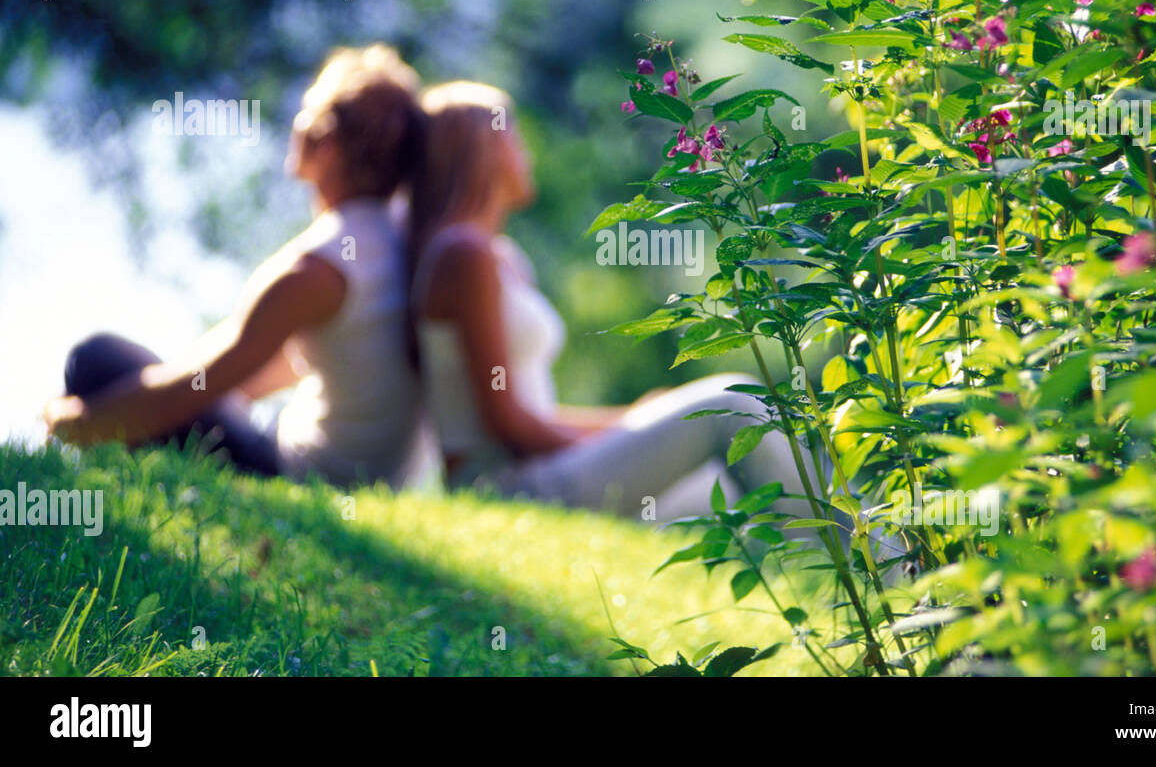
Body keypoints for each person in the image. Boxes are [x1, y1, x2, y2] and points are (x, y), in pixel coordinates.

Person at [407, 80, 819, 520]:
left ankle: (862, 564)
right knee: (731, 403)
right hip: (509, 487)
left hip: (542, 469)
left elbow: (529, 413)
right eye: (514, 136)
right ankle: (871, 564)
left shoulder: (499, 255)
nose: (526, 153)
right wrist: (628, 424)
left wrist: (634, 421)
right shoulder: (462, 254)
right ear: (481, 150)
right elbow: (510, 426)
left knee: (731, 484)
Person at [42, 45, 428, 488]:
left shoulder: (319, 264)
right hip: (370, 475)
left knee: (94, 359)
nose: (297, 124)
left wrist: (76, 421)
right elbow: (283, 365)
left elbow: (193, 385)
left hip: (299, 473)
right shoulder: (396, 239)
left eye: (308, 110)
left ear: (327, 143)